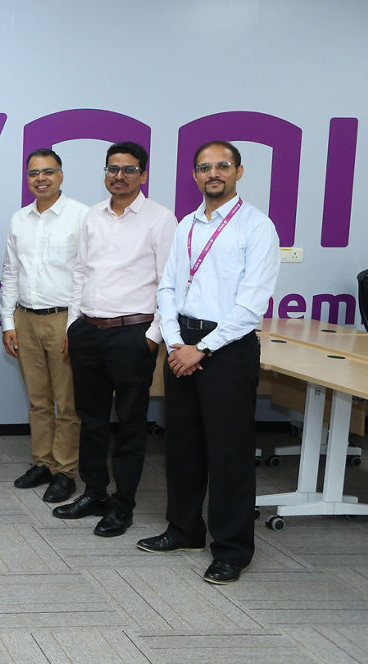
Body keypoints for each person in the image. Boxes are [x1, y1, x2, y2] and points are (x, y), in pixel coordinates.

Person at [139, 141, 280, 584]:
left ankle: (232, 549)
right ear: (195, 175)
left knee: (228, 453)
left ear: (238, 171)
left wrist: (203, 348)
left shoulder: (257, 228)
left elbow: (250, 305)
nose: (213, 173)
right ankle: (184, 530)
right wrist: (180, 342)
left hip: (228, 347)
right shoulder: (187, 224)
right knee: (182, 445)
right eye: (204, 167)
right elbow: (167, 287)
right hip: (183, 341)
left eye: (222, 166)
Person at [54, 141, 176, 537]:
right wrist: (74, 326)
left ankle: (123, 504)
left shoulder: (160, 219)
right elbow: (79, 274)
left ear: (142, 174)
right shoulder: (92, 216)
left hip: (133, 334)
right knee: (90, 420)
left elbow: (169, 283)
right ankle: (95, 492)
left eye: (127, 169)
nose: (118, 176)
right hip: (88, 331)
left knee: (129, 424)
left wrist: (153, 336)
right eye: (112, 169)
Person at [0, 149, 87, 504]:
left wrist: (75, 326)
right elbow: (9, 271)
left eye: (48, 172)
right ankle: (43, 462)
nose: (41, 179)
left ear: (61, 176)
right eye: (34, 173)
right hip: (25, 317)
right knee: (38, 401)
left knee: (66, 403)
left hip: (63, 319)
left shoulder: (81, 216)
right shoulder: (19, 218)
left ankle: (65, 470)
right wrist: (8, 322)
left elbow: (84, 275)